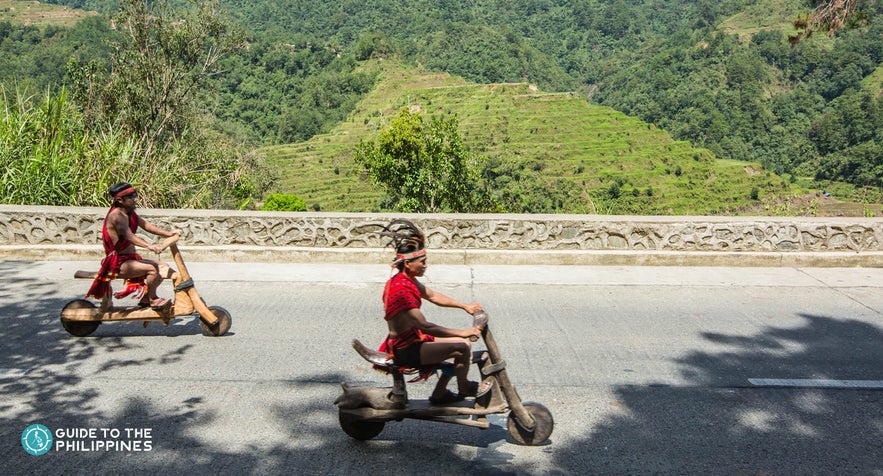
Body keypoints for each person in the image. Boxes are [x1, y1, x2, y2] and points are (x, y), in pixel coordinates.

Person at [376, 219, 485, 404]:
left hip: (413, 340)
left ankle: (439, 394)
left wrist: (465, 306)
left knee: (464, 344)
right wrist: (464, 332)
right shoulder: (401, 289)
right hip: (406, 350)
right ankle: (464, 387)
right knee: (461, 347)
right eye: (422, 262)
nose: (426, 266)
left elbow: (432, 295)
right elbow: (424, 326)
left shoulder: (407, 280)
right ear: (408, 263)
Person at [86, 182, 180, 309]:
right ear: (120, 200)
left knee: (163, 266)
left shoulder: (128, 213)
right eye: (131, 197)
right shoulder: (116, 216)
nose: (134, 199)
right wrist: (150, 246)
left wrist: (168, 233)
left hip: (129, 259)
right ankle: (153, 299)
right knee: (152, 269)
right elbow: (128, 236)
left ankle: (146, 298)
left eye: (134, 195)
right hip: (118, 263)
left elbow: (146, 225)